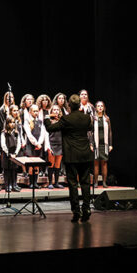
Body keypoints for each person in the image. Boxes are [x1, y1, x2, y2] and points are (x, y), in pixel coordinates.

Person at [45, 94, 94, 222]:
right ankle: (87, 209)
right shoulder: (86, 117)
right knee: (85, 183)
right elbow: (90, 127)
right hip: (85, 154)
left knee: (73, 184)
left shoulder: (66, 119)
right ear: (79, 105)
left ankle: (76, 211)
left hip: (72, 155)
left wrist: (46, 117)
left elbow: (50, 128)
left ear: (69, 106)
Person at [90, 101, 113, 188]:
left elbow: (110, 131)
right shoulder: (93, 118)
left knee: (104, 163)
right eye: (98, 106)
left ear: (104, 108)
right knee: (96, 163)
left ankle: (104, 182)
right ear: (95, 108)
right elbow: (90, 132)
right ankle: (95, 182)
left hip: (105, 144)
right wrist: (91, 144)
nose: (100, 107)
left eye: (101, 106)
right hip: (96, 144)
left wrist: (110, 144)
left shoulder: (107, 118)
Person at [0, 116, 22, 192]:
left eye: (13, 122)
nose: (12, 124)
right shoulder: (4, 133)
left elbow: (19, 143)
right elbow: (3, 144)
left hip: (14, 154)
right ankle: (7, 185)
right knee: (7, 170)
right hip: (7, 155)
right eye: (10, 122)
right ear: (7, 123)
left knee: (14, 170)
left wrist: (16, 153)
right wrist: (8, 153)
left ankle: (14, 185)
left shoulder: (16, 133)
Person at [46, 104, 64, 189]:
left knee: (57, 165)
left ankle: (56, 182)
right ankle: (50, 182)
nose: (56, 111)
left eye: (57, 110)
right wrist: (48, 147)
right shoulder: (48, 120)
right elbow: (46, 134)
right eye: (54, 110)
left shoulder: (62, 121)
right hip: (52, 144)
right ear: (51, 111)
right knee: (51, 164)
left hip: (60, 144)